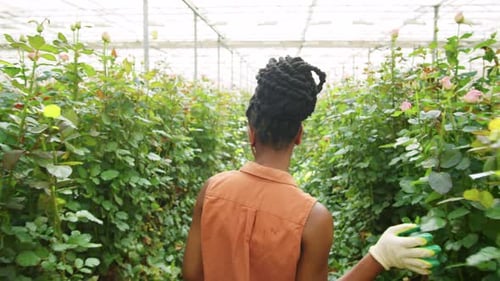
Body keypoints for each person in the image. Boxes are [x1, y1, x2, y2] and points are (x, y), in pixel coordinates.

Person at [182, 56, 439, 281]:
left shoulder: (212, 190)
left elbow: (192, 274)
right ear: (299, 135)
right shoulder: (313, 219)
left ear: (251, 133)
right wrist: (378, 258)